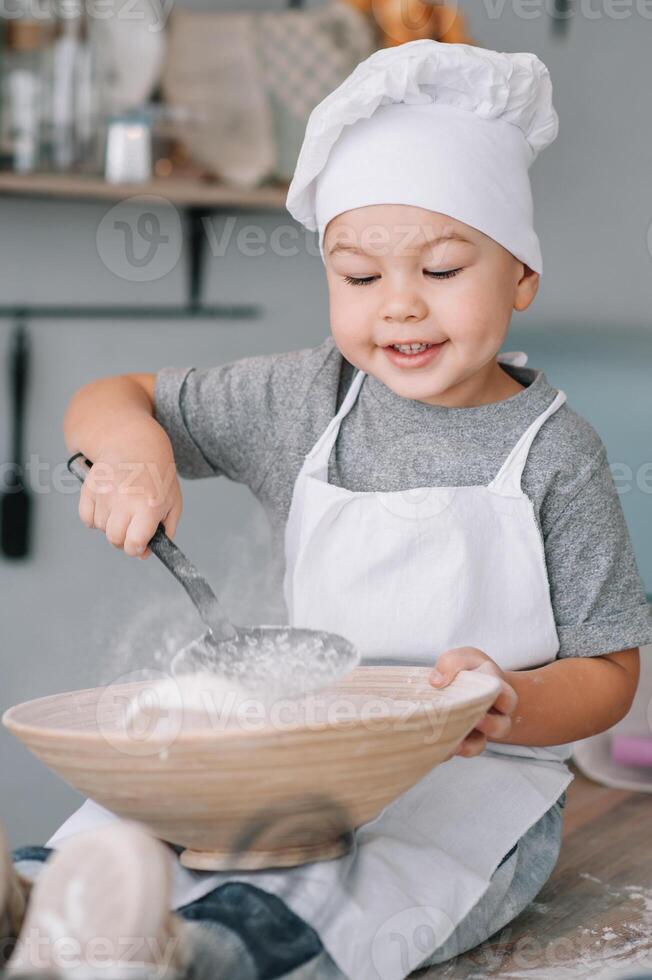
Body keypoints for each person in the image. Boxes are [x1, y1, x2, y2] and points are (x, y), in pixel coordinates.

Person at [2, 39, 650, 980]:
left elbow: (611, 668)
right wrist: (135, 455)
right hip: (303, 744)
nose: (399, 308)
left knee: (348, 884)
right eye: (358, 276)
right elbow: (112, 397)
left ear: (520, 278)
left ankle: (189, 956)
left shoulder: (559, 453)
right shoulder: (307, 400)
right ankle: (36, 910)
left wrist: (514, 702)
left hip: (467, 781)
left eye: (440, 270)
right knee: (136, 827)